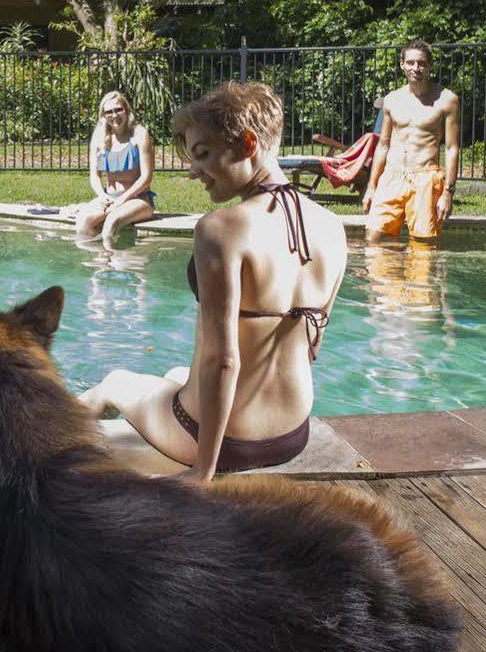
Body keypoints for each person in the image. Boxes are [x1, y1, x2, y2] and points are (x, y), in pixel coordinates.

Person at [79, 81, 348, 479]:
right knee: (175, 375)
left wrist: (201, 472)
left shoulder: (221, 229)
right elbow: (313, 342)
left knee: (114, 382)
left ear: (248, 143)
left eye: (203, 154)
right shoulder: (332, 227)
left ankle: (31, 438)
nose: (193, 172)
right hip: (293, 432)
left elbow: (223, 361)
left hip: (223, 443)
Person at [364, 41, 460, 241]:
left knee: (423, 249)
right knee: (373, 240)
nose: (415, 68)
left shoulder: (447, 100)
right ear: (402, 65)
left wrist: (448, 192)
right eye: (410, 63)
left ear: (430, 65)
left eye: (421, 63)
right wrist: (372, 187)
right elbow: (383, 146)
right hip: (392, 177)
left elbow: (452, 149)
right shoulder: (392, 100)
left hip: (424, 178)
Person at [71, 90, 156, 244]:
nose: (114, 115)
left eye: (119, 110)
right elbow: (94, 175)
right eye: (109, 112)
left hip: (138, 199)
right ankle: (101, 262)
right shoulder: (99, 137)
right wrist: (102, 196)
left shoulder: (139, 134)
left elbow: (146, 177)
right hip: (109, 198)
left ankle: (114, 262)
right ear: (103, 115)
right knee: (83, 220)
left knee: (112, 221)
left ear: (127, 110)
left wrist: (122, 200)